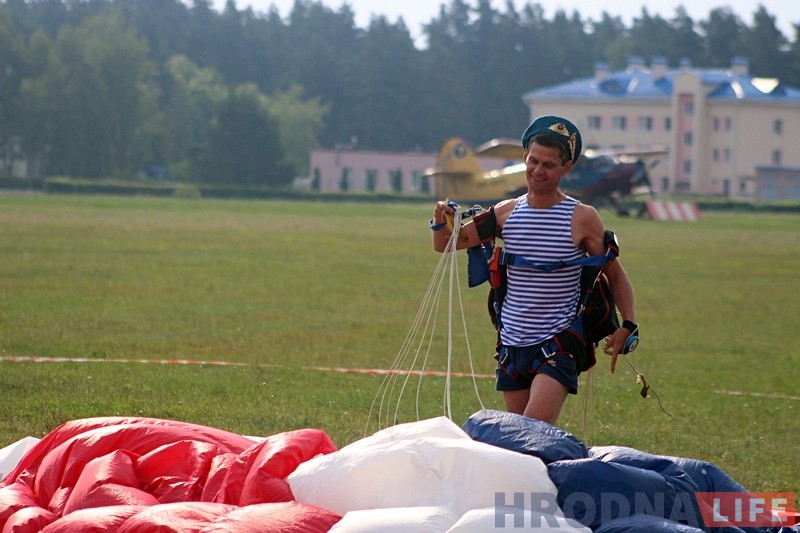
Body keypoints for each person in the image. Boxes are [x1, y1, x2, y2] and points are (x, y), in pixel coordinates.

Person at [430, 115, 637, 425]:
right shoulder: (505, 213)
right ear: (525, 156)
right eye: (534, 161)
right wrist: (439, 219)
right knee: (520, 441)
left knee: (531, 433)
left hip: (559, 342)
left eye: (549, 165)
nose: (538, 170)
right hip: (512, 345)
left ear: (566, 168)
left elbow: (615, 273)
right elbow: (446, 244)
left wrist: (629, 324)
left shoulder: (582, 217)